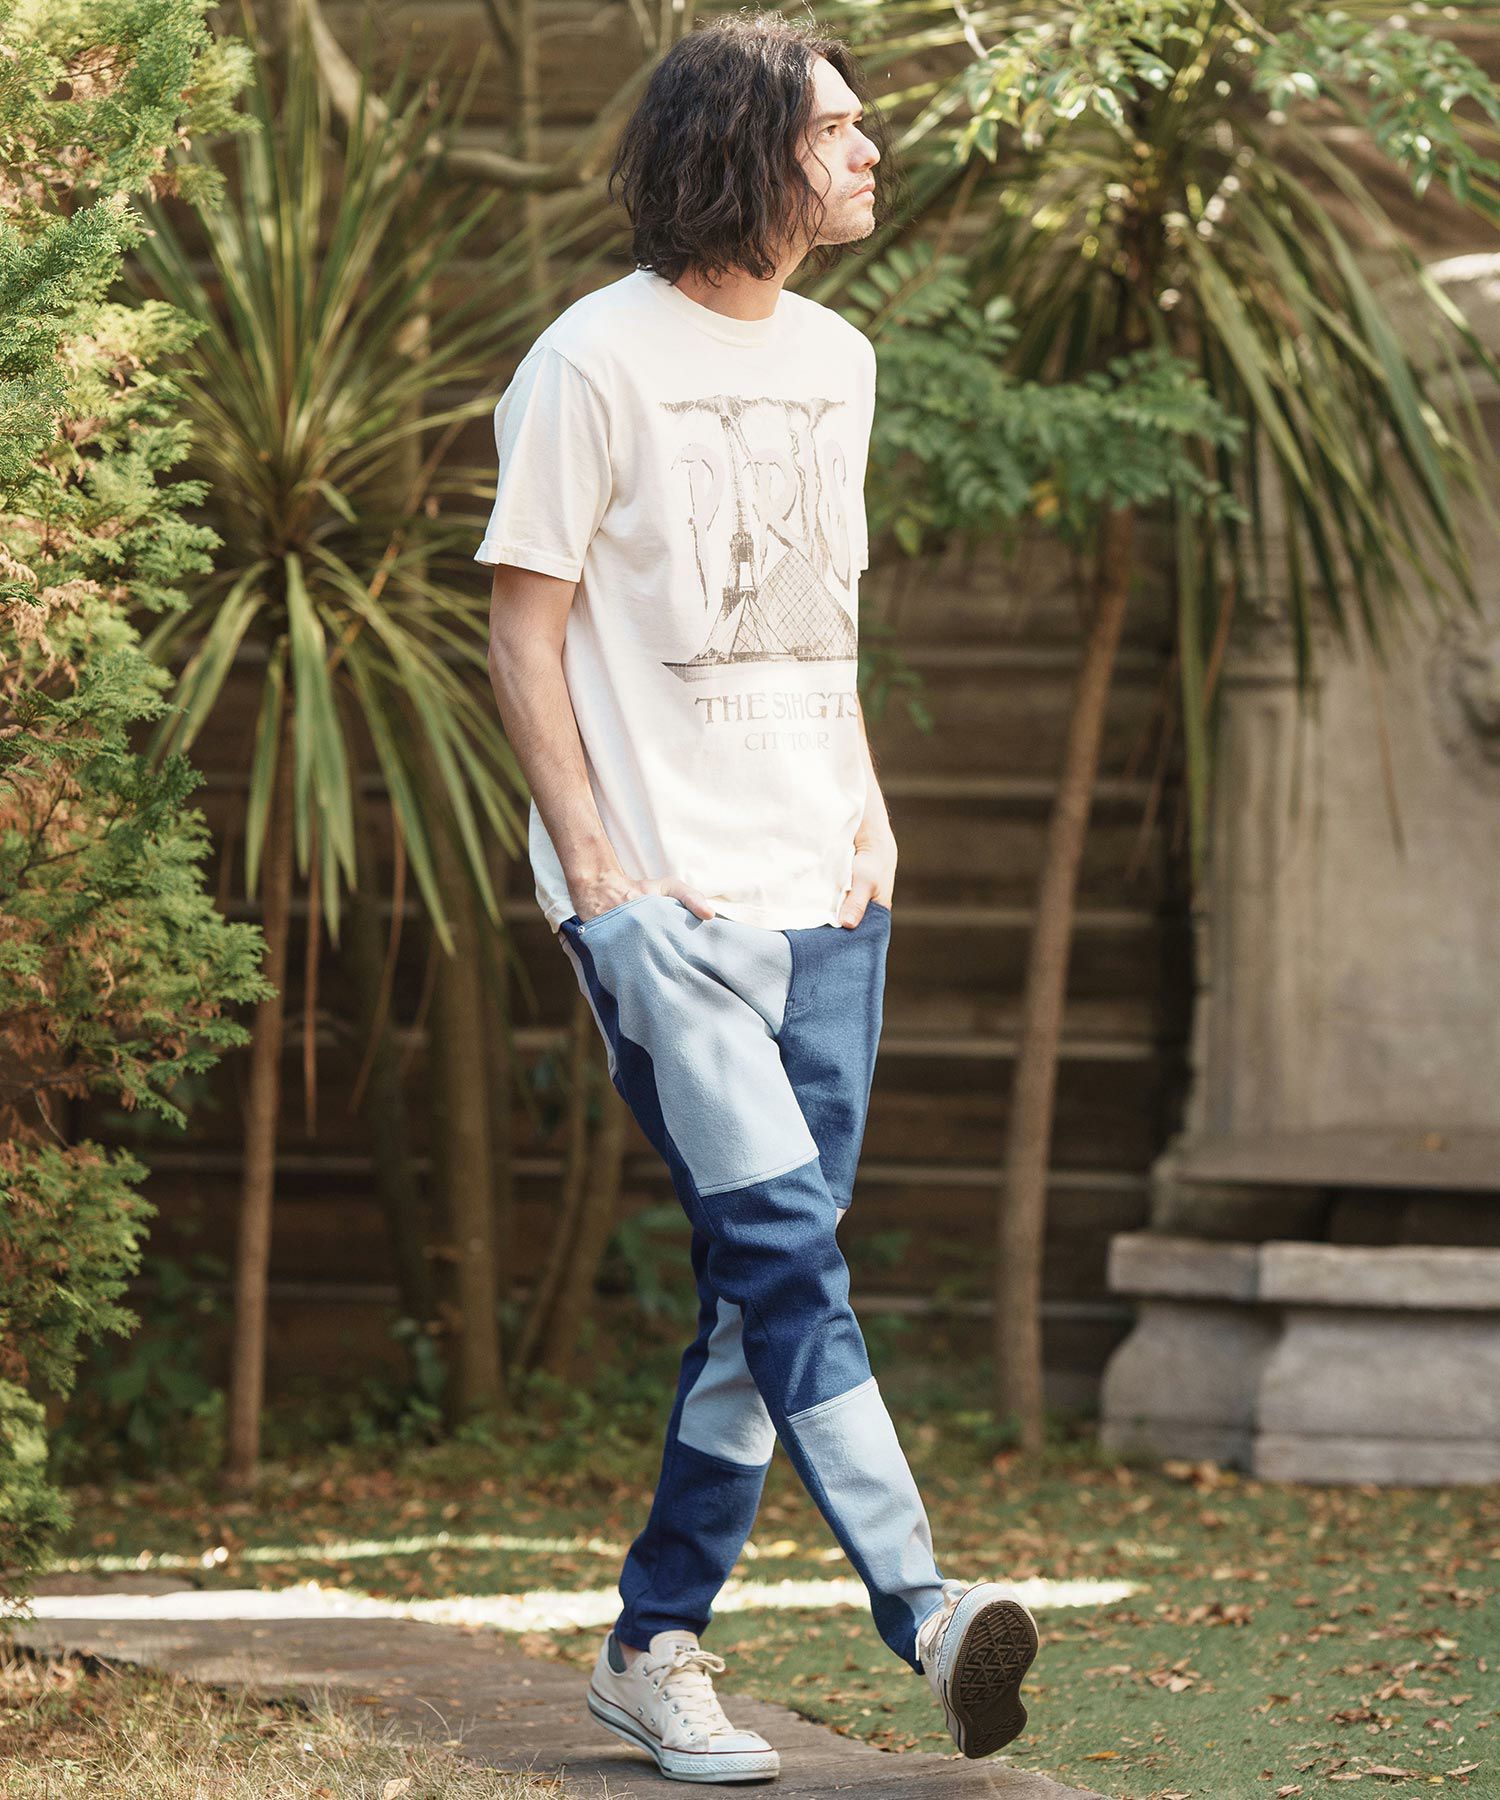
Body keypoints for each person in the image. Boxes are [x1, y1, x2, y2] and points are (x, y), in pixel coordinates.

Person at [478, 11, 1038, 1783]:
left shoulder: (841, 360)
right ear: (744, 148)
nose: (871, 151)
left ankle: (651, 1647)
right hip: (666, 906)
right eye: (837, 128)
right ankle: (926, 1612)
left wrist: (870, 815)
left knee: (758, 1290)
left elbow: (822, 619)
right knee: (788, 1255)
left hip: (831, 896)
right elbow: (523, 630)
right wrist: (594, 873)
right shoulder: (590, 361)